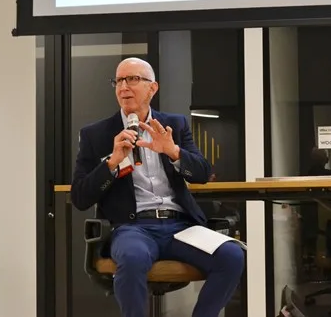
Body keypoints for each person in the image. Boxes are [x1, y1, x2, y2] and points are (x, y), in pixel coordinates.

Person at [71, 57, 244, 317]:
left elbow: (202, 173)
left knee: (232, 256)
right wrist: (112, 162)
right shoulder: (96, 134)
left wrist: (173, 151)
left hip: (180, 226)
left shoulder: (174, 125)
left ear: (152, 88)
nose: (123, 87)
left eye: (132, 79)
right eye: (118, 80)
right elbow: (80, 197)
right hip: (133, 227)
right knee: (132, 258)